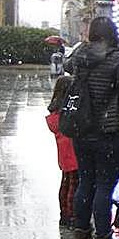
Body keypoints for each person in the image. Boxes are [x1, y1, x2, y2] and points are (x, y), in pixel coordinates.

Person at [65, 16, 119, 239]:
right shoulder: (116, 59)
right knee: (105, 186)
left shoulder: (79, 56)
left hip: (82, 130)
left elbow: (68, 71)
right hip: (109, 130)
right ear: (112, 33)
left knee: (86, 182)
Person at [46, 74, 79, 229]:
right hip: (73, 153)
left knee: (66, 182)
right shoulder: (68, 116)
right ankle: (72, 214)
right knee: (74, 184)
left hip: (64, 155)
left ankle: (64, 214)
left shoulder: (55, 116)